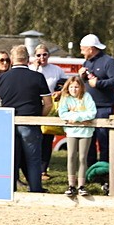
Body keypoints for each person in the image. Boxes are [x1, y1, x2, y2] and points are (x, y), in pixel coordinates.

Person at [0, 45, 52, 193]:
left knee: (12, 160)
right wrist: (39, 117)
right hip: (30, 122)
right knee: (33, 160)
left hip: (9, 123)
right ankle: (35, 189)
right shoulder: (37, 77)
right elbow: (48, 104)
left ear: (12, 59)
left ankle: (10, 191)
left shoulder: (3, 77)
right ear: (28, 59)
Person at [79, 33, 114, 169]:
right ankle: (90, 169)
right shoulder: (87, 62)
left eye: (83, 49)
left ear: (91, 49)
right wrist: (82, 77)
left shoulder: (108, 61)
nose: (81, 52)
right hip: (88, 107)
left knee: (104, 140)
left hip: (104, 107)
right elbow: (87, 82)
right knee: (88, 139)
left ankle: (105, 170)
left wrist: (99, 83)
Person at [57, 74, 96, 197]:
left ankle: (81, 185)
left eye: (76, 87)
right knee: (71, 156)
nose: (74, 89)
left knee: (82, 157)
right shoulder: (65, 98)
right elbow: (62, 114)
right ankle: (71, 185)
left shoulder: (87, 97)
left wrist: (77, 117)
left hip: (85, 132)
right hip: (71, 131)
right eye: (71, 87)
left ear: (81, 88)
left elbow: (92, 113)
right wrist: (77, 117)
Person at [32, 45, 66, 181]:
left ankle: (43, 170)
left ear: (48, 55)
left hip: (50, 106)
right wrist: (35, 68)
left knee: (47, 139)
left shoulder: (56, 70)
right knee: (34, 139)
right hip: (34, 106)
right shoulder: (30, 69)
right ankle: (32, 168)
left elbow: (66, 85)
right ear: (34, 56)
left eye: (44, 54)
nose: (42, 58)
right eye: (38, 55)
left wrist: (60, 92)